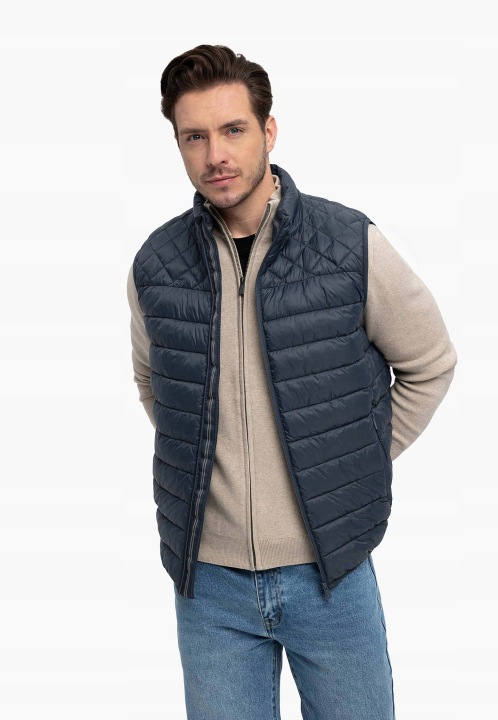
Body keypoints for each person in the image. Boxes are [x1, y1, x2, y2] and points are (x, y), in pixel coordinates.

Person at [127, 44, 457, 720]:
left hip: (330, 573)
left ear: (269, 130)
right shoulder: (157, 264)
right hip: (209, 587)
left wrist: (349, 460)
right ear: (178, 144)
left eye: (233, 129)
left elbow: (430, 363)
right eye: (195, 137)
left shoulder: (348, 244)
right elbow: (155, 383)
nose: (216, 154)